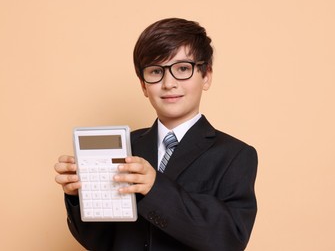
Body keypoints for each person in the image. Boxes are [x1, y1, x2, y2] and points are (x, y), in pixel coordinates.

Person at [54, 18, 258, 251]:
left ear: (206, 76)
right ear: (143, 85)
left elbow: (229, 239)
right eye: (155, 71)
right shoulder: (125, 146)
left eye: (182, 68)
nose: (169, 83)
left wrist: (155, 187)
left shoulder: (235, 155)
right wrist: (78, 196)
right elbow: (99, 241)